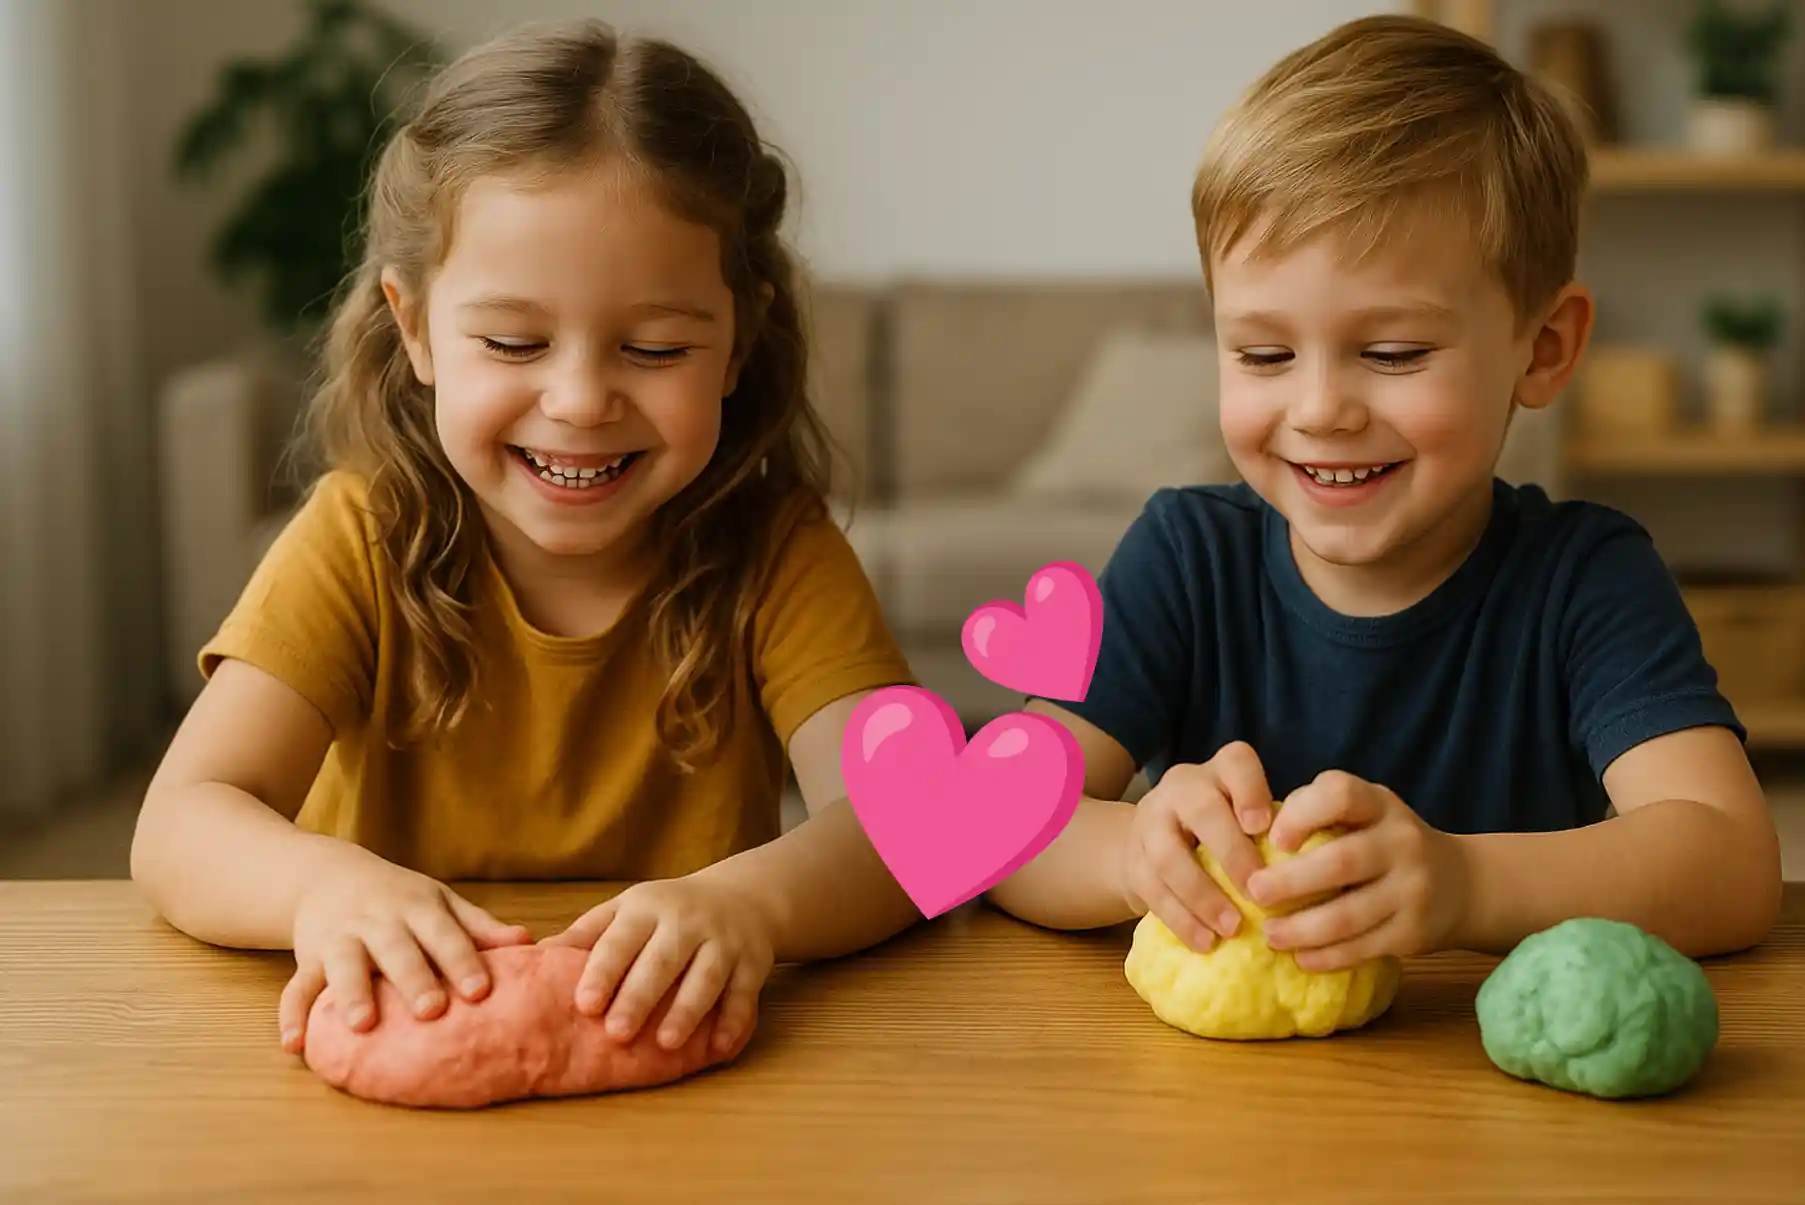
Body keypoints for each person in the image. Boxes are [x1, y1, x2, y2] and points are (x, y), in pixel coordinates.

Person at [132, 20, 921, 1061]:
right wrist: (324, 886)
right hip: (394, 1049)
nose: (580, 400)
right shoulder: (362, 533)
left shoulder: (774, 549)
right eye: (513, 342)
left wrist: (751, 905)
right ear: (413, 329)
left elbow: (910, 826)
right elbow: (182, 818)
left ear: (735, 342)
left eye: (653, 347)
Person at [987, 14, 1783, 967]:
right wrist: (1134, 855)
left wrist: (1464, 884)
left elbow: (1731, 861)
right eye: (1264, 353)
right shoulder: (1185, 555)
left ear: (1543, 348)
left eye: (1393, 353)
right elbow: (999, 829)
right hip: (1213, 1104)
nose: (1319, 408)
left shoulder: (1585, 577)